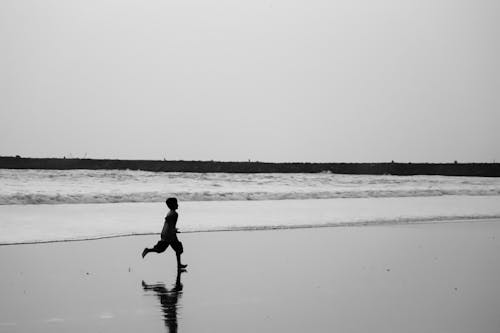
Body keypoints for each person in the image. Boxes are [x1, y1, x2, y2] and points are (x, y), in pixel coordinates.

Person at [142, 197, 187, 269]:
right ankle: (148, 250)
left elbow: (168, 224)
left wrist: (172, 230)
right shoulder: (174, 214)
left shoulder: (170, 213)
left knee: (177, 249)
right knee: (162, 249)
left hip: (169, 234)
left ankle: (179, 264)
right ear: (173, 205)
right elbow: (169, 224)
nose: (177, 205)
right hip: (169, 236)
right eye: (176, 203)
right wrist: (173, 230)